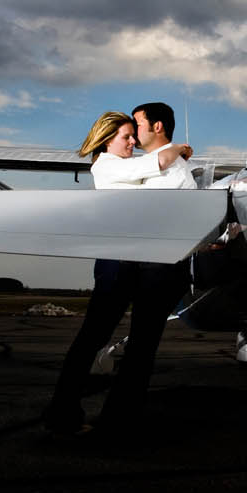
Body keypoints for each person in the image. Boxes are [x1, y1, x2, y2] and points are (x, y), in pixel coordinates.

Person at [42, 109, 193, 437]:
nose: (132, 141)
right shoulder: (107, 165)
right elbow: (155, 166)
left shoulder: (129, 168)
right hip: (120, 262)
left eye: (133, 133)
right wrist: (179, 148)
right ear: (107, 139)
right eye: (126, 136)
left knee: (124, 341)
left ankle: (102, 418)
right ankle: (66, 413)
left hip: (140, 262)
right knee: (96, 338)